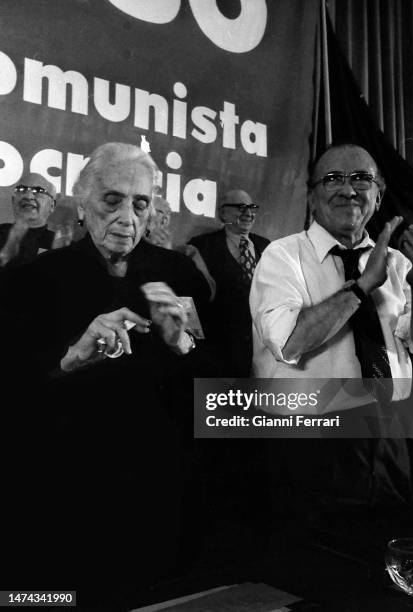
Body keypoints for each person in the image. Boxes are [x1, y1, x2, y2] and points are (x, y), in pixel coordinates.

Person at [0, 143, 216, 605]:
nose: (127, 217)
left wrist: (180, 343)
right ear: (82, 203)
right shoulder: (37, 279)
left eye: (140, 204)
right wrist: (67, 361)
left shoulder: (175, 273)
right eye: (111, 200)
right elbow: (13, 389)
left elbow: (209, 375)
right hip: (68, 490)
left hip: (158, 486)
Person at [250, 144, 413, 507]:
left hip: (388, 434)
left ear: (378, 193)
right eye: (332, 179)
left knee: (383, 551)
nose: (348, 189)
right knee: (311, 560)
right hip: (307, 439)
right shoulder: (281, 256)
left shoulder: (399, 264)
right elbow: (289, 342)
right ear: (311, 196)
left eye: (361, 178)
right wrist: (361, 287)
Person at [189, 188, 270, 376]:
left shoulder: (267, 246)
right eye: (241, 207)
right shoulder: (202, 245)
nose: (248, 214)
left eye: (252, 208)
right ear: (223, 212)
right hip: (219, 351)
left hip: (259, 349)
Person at [0, 172, 57, 266]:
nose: (28, 196)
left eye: (38, 191)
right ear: (13, 201)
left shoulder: (62, 246)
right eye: (22, 190)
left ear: (52, 206)